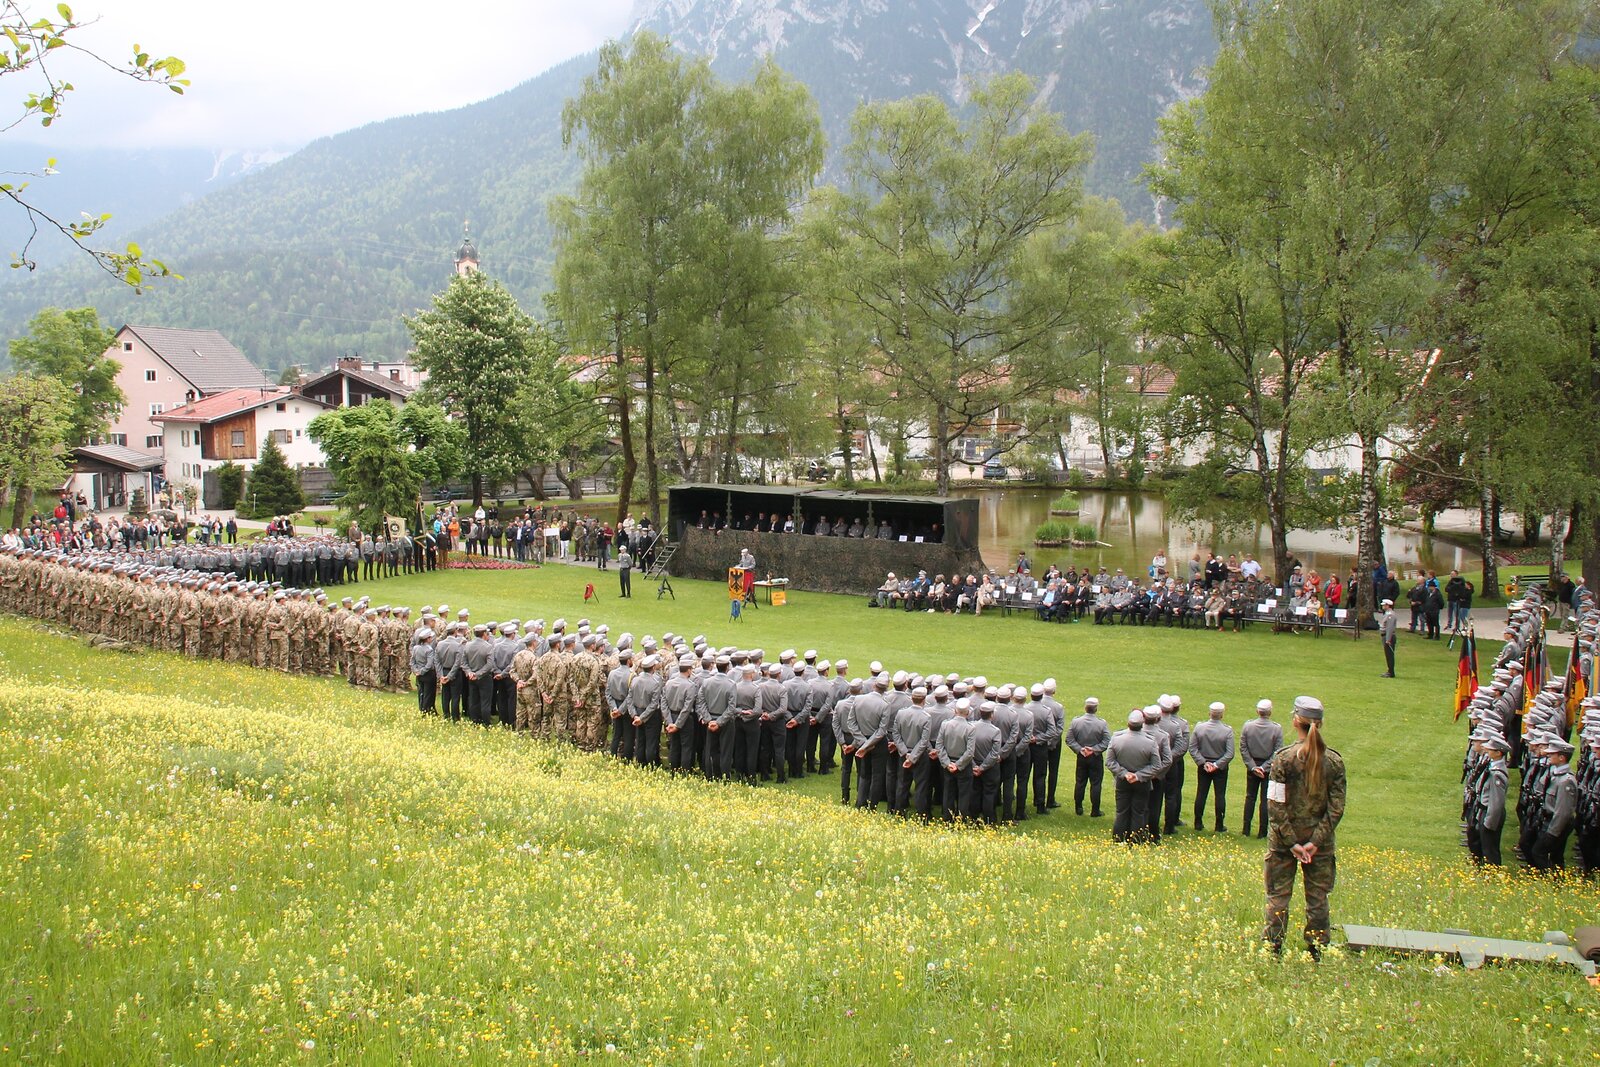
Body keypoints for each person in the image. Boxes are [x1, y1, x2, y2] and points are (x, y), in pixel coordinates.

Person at [1263, 695, 1346, 959]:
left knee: (1278, 897)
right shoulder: (1333, 762)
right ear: (1320, 724)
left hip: (1283, 842)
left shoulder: (1283, 759)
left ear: (1295, 721)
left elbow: (1275, 806)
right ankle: (1317, 949)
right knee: (1318, 898)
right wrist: (1315, 841)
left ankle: (1273, 947)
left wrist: (1292, 842)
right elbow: (1336, 808)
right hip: (1319, 844)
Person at [1106, 709, 1160, 843]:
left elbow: (1110, 762)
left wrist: (1124, 773)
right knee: (1139, 812)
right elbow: (1156, 766)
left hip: (1122, 780)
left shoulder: (1117, 738)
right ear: (1142, 724)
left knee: (1121, 811)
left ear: (1128, 723)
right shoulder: (1150, 742)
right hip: (1142, 782)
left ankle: (1119, 839)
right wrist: (1138, 776)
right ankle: (1136, 840)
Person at [1239, 699, 1283, 838]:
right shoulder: (1276, 729)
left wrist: (1253, 767)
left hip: (1252, 765)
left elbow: (1243, 747)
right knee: (1265, 799)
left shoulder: (1248, 726)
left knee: (1250, 797)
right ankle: (1262, 832)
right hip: (1267, 768)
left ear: (1257, 711)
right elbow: (1277, 751)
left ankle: (1246, 829)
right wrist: (1263, 767)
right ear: (1270, 712)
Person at [1190, 702, 1235, 832]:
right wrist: (1216, 765)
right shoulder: (1227, 731)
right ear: (1222, 715)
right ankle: (1219, 825)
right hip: (1220, 768)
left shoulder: (1199, 728)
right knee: (1220, 795)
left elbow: (1193, 748)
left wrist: (1204, 762)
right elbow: (1230, 753)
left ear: (1210, 713)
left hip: (1204, 765)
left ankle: (1198, 823)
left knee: (1201, 793)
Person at [1066, 696, 1110, 817]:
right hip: (1095, 757)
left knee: (1080, 781)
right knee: (1096, 783)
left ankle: (1078, 807)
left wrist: (1080, 749)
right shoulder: (1101, 724)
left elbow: (1069, 739)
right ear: (1096, 709)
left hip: (1082, 756)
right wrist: (1094, 749)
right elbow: (1107, 741)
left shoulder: (1076, 722)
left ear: (1085, 707)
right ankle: (1095, 810)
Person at [1379, 598, 1397, 677]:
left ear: (1388, 605)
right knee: (1387, 655)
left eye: (1384, 605)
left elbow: (1390, 628)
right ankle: (1389, 670)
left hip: (1388, 636)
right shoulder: (1387, 614)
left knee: (1389, 655)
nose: (1383, 606)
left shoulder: (1390, 615)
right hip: (1385, 636)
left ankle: (1391, 672)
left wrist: (1388, 639)